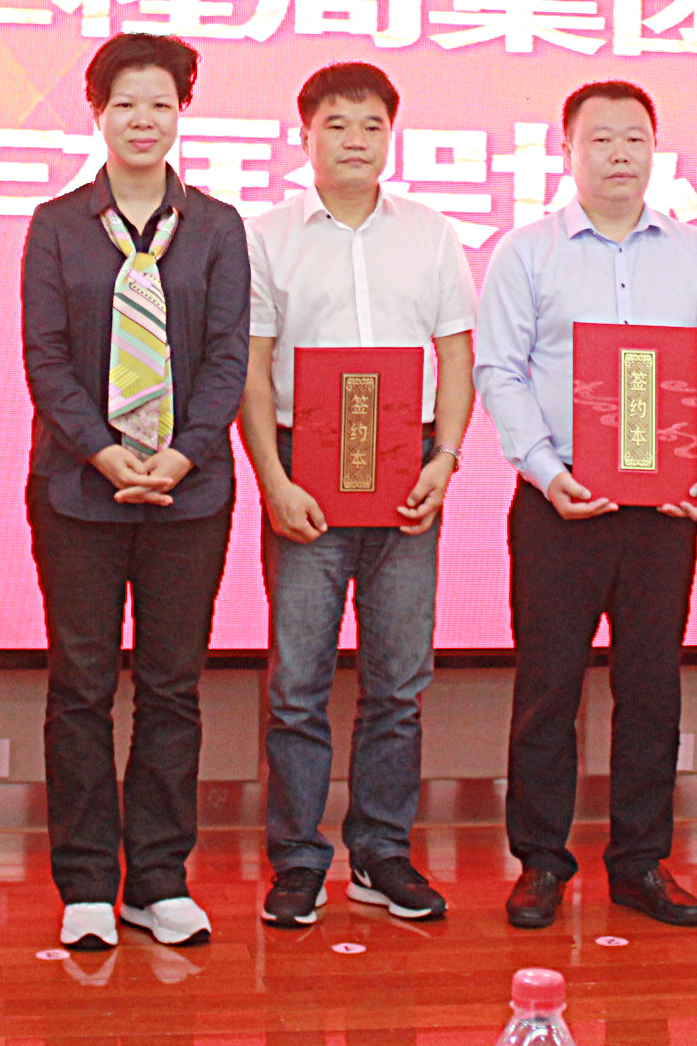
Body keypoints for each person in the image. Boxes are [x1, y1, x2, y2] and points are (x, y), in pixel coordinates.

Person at [475, 80, 697, 931]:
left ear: (655, 149)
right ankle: (540, 863)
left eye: (635, 138)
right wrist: (544, 468)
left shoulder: (696, 254)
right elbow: (499, 369)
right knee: (547, 688)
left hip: (662, 512)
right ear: (568, 151)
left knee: (652, 688)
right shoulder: (527, 252)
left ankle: (640, 862)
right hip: (558, 505)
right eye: (601, 139)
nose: (620, 153)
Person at [21, 33, 250, 952]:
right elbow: (44, 358)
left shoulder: (218, 228)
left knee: (171, 689)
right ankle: (85, 882)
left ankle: (158, 880)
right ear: (97, 113)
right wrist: (106, 453)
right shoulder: (57, 224)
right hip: (79, 492)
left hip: (190, 497)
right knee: (80, 687)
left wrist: (184, 455)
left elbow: (230, 357)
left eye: (159, 103)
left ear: (181, 113)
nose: (142, 120)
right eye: (124, 104)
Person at [241, 62, 476, 930]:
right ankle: (298, 860)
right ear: (304, 135)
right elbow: (253, 370)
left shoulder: (431, 234)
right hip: (304, 465)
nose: (355, 140)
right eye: (336, 124)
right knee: (297, 682)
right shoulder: (267, 236)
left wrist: (446, 458)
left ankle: (381, 852)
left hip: (408, 465)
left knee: (398, 682)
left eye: (372, 125)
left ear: (391, 136)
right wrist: (273, 480)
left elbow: (457, 353)